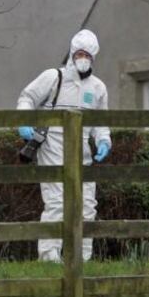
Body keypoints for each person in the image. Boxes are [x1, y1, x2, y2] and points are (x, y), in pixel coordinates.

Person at [17, 29, 112, 263]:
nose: (83, 58)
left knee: (87, 205)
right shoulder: (54, 77)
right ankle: (49, 258)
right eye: (80, 53)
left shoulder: (98, 88)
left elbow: (101, 122)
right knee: (57, 203)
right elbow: (26, 98)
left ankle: (81, 259)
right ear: (72, 53)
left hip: (83, 152)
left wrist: (103, 140)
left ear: (93, 57)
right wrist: (24, 120)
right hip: (53, 147)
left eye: (88, 55)